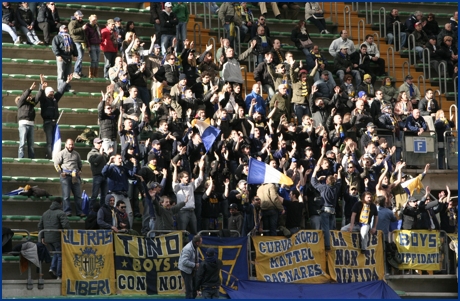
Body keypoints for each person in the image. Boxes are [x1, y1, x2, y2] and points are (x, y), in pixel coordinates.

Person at [311, 151, 342, 251]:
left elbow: (313, 182)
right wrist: (340, 172)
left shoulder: (324, 187)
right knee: (333, 228)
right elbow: (340, 182)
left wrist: (315, 171)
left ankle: (328, 246)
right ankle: (335, 244)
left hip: (325, 209)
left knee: (326, 229)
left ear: (327, 182)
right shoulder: (335, 188)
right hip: (333, 210)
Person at [37, 73, 72, 160]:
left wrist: (67, 82)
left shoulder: (54, 99)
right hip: (47, 123)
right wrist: (41, 85)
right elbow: (40, 94)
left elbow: (60, 91)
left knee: (54, 141)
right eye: (50, 93)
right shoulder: (44, 100)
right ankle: (49, 157)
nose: (52, 94)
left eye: (53, 93)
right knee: (49, 142)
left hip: (55, 122)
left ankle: (54, 157)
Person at [102, 154, 138, 229]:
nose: (120, 160)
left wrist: (135, 164)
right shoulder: (111, 168)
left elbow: (132, 175)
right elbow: (104, 172)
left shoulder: (124, 168)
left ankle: (129, 229)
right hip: (115, 194)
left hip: (124, 194)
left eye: (121, 158)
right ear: (114, 159)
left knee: (130, 213)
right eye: (119, 158)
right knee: (115, 213)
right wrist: (108, 162)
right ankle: (115, 229)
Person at [38, 197, 70, 280]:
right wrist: (66, 233)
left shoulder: (45, 213)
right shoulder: (61, 213)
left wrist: (42, 237)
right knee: (60, 255)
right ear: (60, 203)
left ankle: (52, 268)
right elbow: (66, 225)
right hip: (57, 237)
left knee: (55, 253)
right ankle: (59, 275)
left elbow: (40, 225)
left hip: (48, 238)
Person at [172, 156, 205, 234]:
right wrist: (175, 168)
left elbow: (200, 179)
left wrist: (201, 168)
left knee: (194, 232)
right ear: (181, 178)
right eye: (185, 177)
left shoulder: (191, 186)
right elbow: (174, 181)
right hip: (182, 212)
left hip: (192, 211)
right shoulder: (177, 187)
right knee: (182, 232)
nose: (187, 178)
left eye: (188, 177)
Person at [54, 139, 84, 217]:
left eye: (72, 144)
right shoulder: (61, 153)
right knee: (66, 195)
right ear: (66, 145)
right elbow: (56, 163)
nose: (71, 146)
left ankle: (79, 211)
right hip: (65, 176)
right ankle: (67, 211)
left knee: (78, 195)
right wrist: (60, 172)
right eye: (69, 144)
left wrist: (80, 170)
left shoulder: (76, 154)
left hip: (75, 176)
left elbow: (80, 164)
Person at [52, 24, 78, 91]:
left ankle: (67, 87)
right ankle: (61, 87)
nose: (65, 30)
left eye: (66, 29)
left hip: (69, 57)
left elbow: (73, 47)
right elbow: (54, 47)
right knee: (61, 74)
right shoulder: (57, 37)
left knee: (68, 74)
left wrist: (75, 55)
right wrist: (58, 55)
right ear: (60, 29)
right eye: (64, 29)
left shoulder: (70, 38)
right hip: (61, 57)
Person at [16, 81, 38, 159]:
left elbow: (38, 97)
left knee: (31, 144)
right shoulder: (20, 103)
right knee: (22, 142)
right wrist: (30, 89)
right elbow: (23, 97)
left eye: (30, 95)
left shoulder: (32, 103)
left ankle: (31, 157)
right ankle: (21, 157)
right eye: (28, 95)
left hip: (31, 124)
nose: (29, 97)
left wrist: (42, 88)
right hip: (23, 123)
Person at [87, 138, 110, 208]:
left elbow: (106, 161)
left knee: (104, 195)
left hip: (104, 176)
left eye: (101, 143)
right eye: (98, 143)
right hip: (97, 176)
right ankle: (91, 210)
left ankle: (102, 209)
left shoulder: (102, 153)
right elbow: (95, 162)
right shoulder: (91, 153)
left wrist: (108, 154)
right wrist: (100, 154)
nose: (100, 144)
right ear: (94, 144)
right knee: (95, 194)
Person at [178, 234, 202, 299]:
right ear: (197, 243)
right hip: (186, 270)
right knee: (189, 289)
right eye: (200, 242)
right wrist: (194, 265)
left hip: (192, 269)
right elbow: (184, 261)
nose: (201, 243)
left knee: (194, 288)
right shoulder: (188, 249)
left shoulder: (195, 247)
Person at [68, 10, 87, 79]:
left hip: (81, 41)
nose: (81, 18)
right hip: (76, 41)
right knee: (80, 57)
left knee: (81, 58)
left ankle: (79, 72)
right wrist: (82, 28)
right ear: (75, 15)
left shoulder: (81, 22)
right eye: (79, 16)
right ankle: (75, 72)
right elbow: (72, 31)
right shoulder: (72, 22)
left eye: (81, 17)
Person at [84, 14, 101, 78]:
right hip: (92, 44)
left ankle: (95, 74)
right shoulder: (88, 27)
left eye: (96, 20)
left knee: (98, 60)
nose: (95, 21)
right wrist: (88, 45)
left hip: (97, 44)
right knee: (94, 59)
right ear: (90, 19)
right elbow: (86, 37)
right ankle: (91, 74)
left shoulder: (97, 26)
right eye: (94, 20)